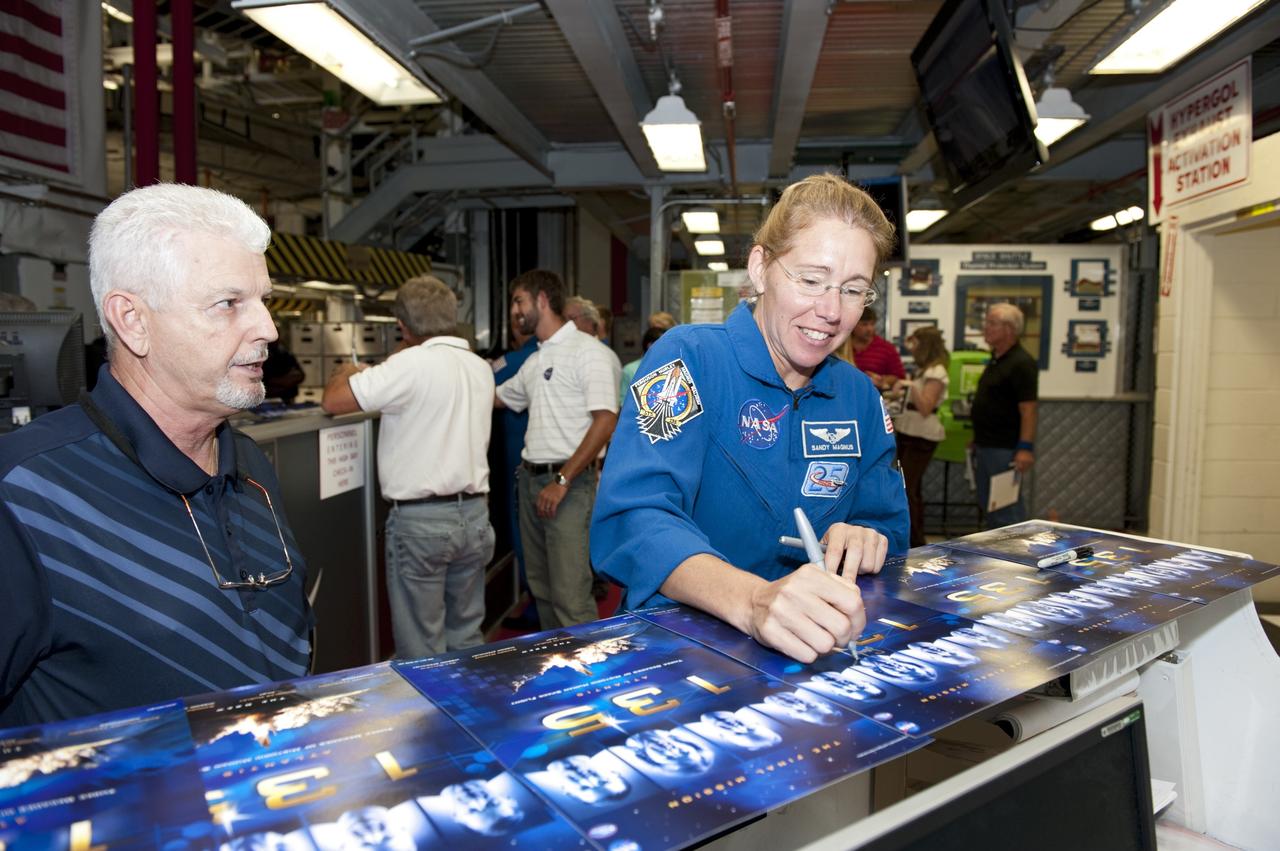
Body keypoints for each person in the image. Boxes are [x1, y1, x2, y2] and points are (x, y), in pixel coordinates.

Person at [0, 184, 311, 727]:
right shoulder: (24, 494)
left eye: (263, 300)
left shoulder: (250, 465)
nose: (268, 329)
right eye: (229, 303)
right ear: (133, 320)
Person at [590, 174, 909, 664]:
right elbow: (633, 518)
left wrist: (867, 535)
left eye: (852, 290)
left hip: (816, 649)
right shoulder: (688, 361)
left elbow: (887, 521)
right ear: (761, 268)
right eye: (810, 279)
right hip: (680, 648)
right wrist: (754, 601)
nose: (829, 311)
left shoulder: (859, 396)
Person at [322, 276, 494, 660]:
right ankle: (468, 712)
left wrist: (348, 371)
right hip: (475, 517)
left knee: (421, 646)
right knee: (466, 637)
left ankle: (432, 720)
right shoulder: (479, 367)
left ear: (402, 325)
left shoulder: (408, 364)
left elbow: (333, 401)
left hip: (422, 524)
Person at [495, 270, 620, 629]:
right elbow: (498, 398)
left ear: (542, 300)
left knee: (570, 595)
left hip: (567, 485)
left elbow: (605, 420)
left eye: (519, 301)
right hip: (532, 483)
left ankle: (590, 683)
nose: (514, 310)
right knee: (543, 590)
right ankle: (556, 672)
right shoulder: (536, 360)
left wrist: (563, 479)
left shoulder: (589, 353)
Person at [970, 303, 1038, 528]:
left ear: (1009, 329)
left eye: (992, 323)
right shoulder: (997, 359)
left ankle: (1017, 559)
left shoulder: (1022, 363)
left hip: (1005, 449)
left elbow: (1028, 409)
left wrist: (1025, 448)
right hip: (986, 445)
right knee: (990, 506)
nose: (985, 328)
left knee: (1006, 511)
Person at [891, 326, 950, 547]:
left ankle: (916, 540)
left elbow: (926, 406)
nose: (912, 349)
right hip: (910, 431)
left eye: (915, 344)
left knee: (909, 488)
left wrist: (908, 385)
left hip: (922, 435)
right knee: (908, 488)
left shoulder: (937, 372)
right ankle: (913, 537)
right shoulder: (925, 370)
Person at [840, 307, 904, 392]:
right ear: (853, 325)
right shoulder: (840, 347)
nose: (870, 329)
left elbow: (898, 376)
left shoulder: (886, 348)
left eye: (872, 324)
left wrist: (882, 380)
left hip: (875, 394)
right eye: (864, 324)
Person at [618, 325, 668, 405]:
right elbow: (623, 402)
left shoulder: (671, 367)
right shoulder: (630, 370)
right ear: (650, 345)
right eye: (663, 344)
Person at [263, 338, 306, 403]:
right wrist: (282, 381)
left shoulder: (286, 354)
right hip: (267, 398)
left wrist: (288, 380)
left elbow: (301, 375)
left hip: (287, 397)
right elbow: (264, 380)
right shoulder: (260, 357)